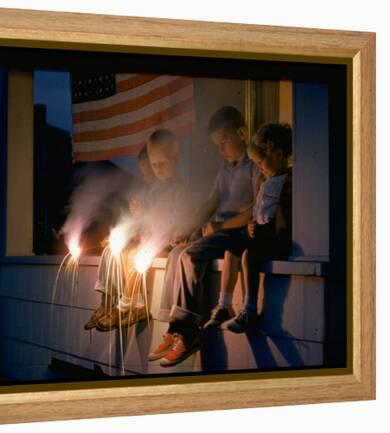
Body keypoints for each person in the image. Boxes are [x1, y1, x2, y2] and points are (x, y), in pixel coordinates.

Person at [148, 106, 260, 367]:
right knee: (177, 252)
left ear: (241, 133)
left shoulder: (254, 166)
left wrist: (221, 226)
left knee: (191, 254)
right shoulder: (225, 169)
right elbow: (211, 201)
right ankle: (173, 328)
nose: (221, 151)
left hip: (238, 234)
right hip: (221, 232)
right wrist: (188, 228)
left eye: (224, 143)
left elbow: (256, 208)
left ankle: (188, 331)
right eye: (217, 146)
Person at [94, 128, 193, 332]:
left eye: (162, 164)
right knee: (123, 248)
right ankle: (135, 305)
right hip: (151, 239)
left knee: (138, 253)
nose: (158, 170)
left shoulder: (181, 189)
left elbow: (177, 221)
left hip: (167, 243)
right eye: (154, 165)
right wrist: (139, 215)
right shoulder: (154, 188)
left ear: (176, 158)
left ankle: (124, 306)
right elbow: (147, 218)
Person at [223, 123, 293, 333]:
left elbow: (283, 215)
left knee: (249, 256)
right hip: (260, 233)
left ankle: (249, 308)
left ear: (279, 154)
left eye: (261, 162)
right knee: (231, 250)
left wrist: (266, 228)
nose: (260, 168)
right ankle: (223, 304)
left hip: (275, 237)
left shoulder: (288, 181)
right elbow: (259, 209)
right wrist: (252, 224)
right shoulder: (265, 181)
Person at [83, 146, 156, 330]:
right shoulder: (143, 191)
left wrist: (141, 217)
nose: (146, 173)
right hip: (140, 238)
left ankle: (131, 306)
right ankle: (106, 303)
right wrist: (117, 234)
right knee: (111, 249)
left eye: (149, 168)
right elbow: (133, 223)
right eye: (143, 169)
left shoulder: (161, 190)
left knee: (133, 255)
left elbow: (156, 224)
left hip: (153, 242)